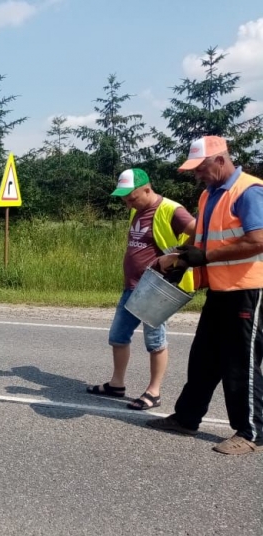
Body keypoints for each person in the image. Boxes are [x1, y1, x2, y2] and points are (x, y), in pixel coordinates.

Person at [150, 136, 263, 455]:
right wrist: (182, 260)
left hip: (248, 289)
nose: (197, 174)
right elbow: (204, 243)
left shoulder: (249, 191)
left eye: (200, 168)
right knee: (204, 358)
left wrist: (207, 257)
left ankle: (252, 433)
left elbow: (259, 239)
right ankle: (187, 418)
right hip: (219, 287)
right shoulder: (208, 195)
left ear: (220, 160)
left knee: (240, 363)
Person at [86, 168, 196, 410]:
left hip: (157, 288)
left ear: (148, 189)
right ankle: (117, 384)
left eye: (132, 198)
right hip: (133, 287)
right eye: (124, 200)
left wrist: (177, 256)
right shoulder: (137, 210)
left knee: (155, 342)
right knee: (117, 337)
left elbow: (198, 231)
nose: (128, 204)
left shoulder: (171, 210)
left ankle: (153, 392)